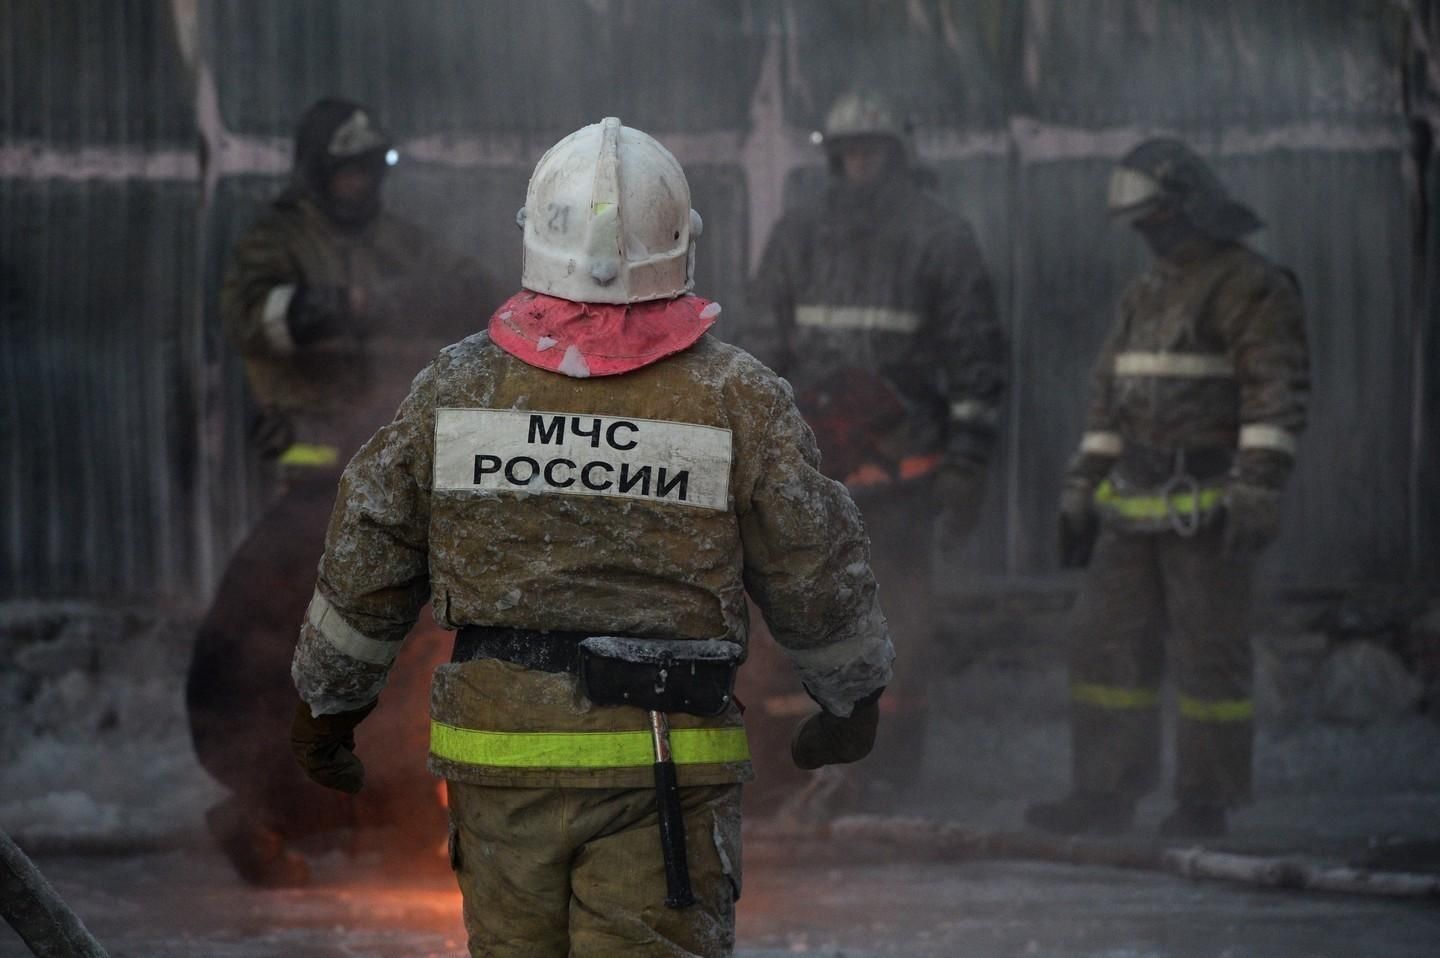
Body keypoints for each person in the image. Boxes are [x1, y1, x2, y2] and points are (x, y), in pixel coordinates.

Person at [287, 117, 894, 956]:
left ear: (534, 240)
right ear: (681, 245)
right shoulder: (735, 395)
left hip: (501, 764)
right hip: (664, 766)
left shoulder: (460, 387)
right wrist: (849, 698)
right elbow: (813, 562)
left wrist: (330, 705)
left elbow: (372, 548)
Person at [187, 97, 491, 886]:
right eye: (345, 170)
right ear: (317, 173)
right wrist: (345, 309)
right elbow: (256, 315)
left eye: (370, 169)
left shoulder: (398, 241)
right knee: (285, 653)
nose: (358, 184)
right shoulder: (278, 239)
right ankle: (265, 806)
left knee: (407, 650)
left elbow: (469, 290)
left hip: (398, 476)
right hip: (316, 483)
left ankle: (401, 811)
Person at [1025, 138, 1309, 839]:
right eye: (1141, 224)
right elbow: (1107, 404)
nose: (1149, 235)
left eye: (1156, 219)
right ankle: (1104, 793)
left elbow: (1275, 396)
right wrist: (1079, 489)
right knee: (1102, 647)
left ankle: (1205, 801)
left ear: (1191, 208)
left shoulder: (1250, 285)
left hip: (1207, 507)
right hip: (1130, 507)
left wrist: (1257, 486)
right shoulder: (1145, 293)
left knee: (1208, 657)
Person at [745, 90, 1006, 798]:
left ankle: (886, 774)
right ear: (833, 158)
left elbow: (976, 359)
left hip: (904, 478)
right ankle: (793, 775)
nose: (861, 166)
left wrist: (967, 464)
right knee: (792, 621)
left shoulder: (940, 237)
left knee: (897, 628)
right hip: (809, 476)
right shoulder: (797, 235)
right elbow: (762, 351)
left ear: (898, 154)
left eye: (874, 152)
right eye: (848, 153)